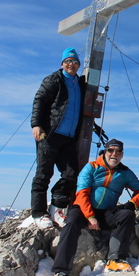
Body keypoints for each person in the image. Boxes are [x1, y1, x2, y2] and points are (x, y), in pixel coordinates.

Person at [51, 139, 139, 276]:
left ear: (122, 155)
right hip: (82, 210)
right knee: (71, 224)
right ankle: (61, 271)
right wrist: (90, 216)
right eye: (111, 150)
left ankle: (115, 259)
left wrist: (132, 203)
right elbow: (82, 193)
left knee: (127, 215)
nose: (114, 154)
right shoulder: (91, 167)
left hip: (106, 212)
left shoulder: (124, 172)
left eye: (118, 152)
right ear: (105, 151)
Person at [30, 47, 86, 229]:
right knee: (43, 174)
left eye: (75, 61)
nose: (71, 64)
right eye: (68, 61)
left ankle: (57, 207)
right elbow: (40, 100)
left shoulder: (80, 83)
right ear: (62, 64)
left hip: (69, 137)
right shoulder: (54, 79)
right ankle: (38, 213)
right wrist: (36, 125)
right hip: (50, 134)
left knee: (71, 174)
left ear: (79, 65)